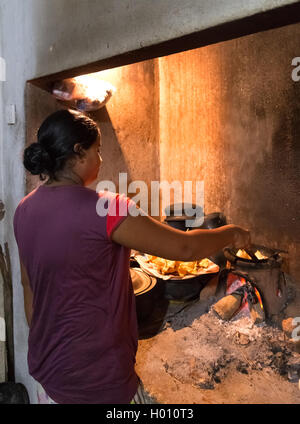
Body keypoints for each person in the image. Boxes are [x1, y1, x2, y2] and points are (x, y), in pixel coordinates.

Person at [13, 109, 250, 404]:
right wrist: (232, 233)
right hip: (97, 378)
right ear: (79, 152)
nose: (100, 160)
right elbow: (185, 249)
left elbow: (27, 286)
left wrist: (51, 339)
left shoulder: (24, 209)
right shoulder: (107, 208)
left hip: (48, 369)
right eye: (97, 151)